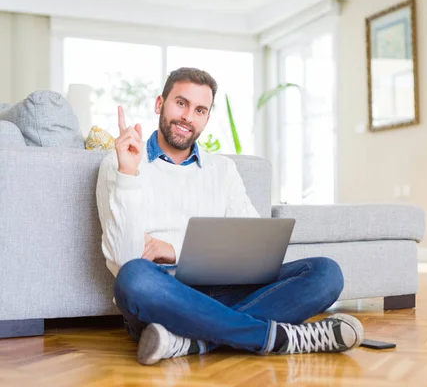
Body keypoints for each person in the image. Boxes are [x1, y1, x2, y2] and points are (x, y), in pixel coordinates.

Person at [95, 67, 364, 366]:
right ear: (160, 104)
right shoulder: (120, 163)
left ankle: (193, 342)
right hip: (167, 296)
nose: (188, 117)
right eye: (180, 103)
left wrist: (172, 250)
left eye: (199, 110)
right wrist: (128, 174)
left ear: (206, 119)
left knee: (326, 272)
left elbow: (253, 246)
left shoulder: (222, 170)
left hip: (229, 290)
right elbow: (123, 259)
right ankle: (277, 338)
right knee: (135, 277)